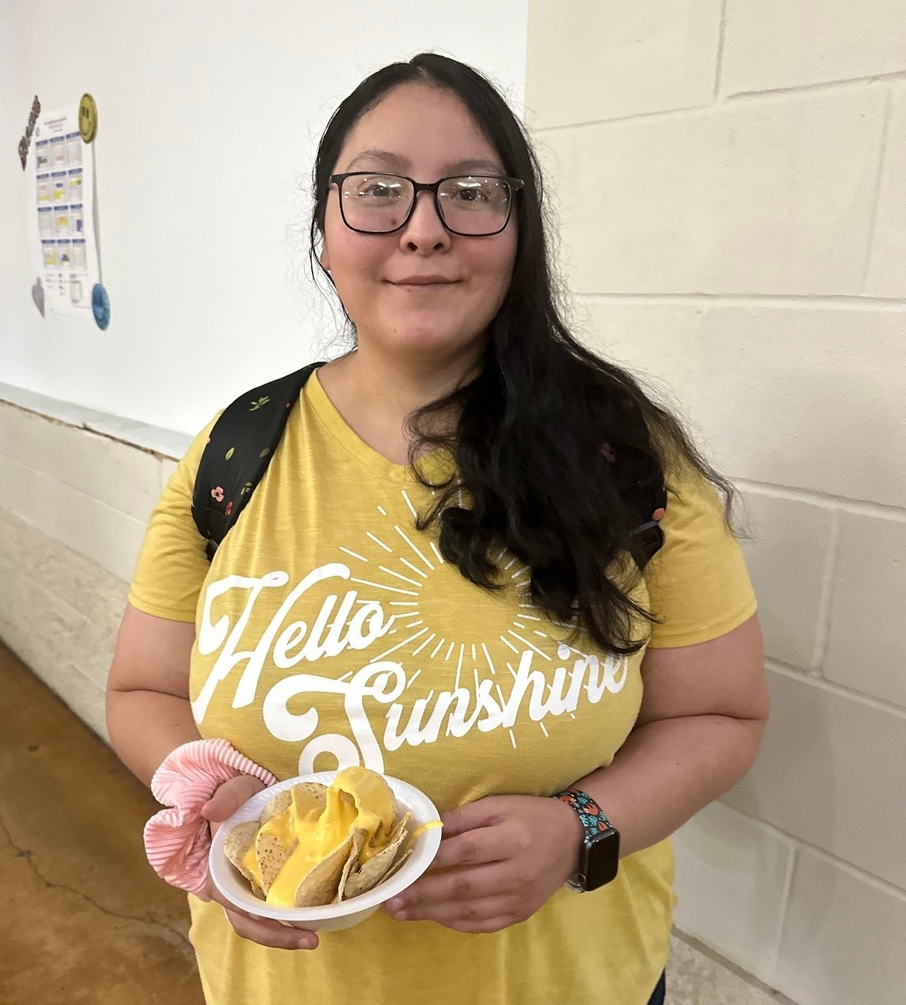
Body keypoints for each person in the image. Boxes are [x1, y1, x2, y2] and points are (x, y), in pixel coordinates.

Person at [106, 52, 767, 1005]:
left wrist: (581, 825)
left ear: (519, 227)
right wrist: (216, 807)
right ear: (323, 232)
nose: (423, 229)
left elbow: (720, 713)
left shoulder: (624, 455)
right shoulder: (237, 452)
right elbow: (140, 689)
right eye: (377, 190)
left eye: (469, 191)